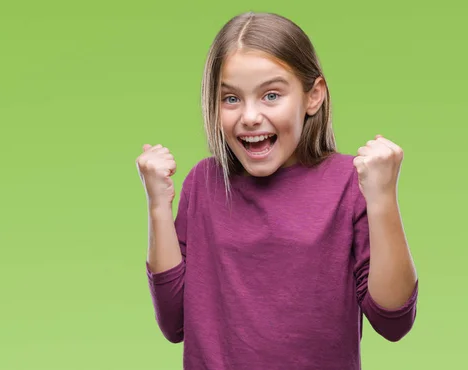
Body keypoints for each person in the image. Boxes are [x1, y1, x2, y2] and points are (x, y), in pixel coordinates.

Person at [135, 12, 418, 370]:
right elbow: (175, 323)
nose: (250, 116)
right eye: (231, 99)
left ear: (313, 96)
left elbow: (394, 322)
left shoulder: (349, 184)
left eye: (271, 95)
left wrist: (383, 199)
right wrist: (158, 204)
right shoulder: (203, 184)